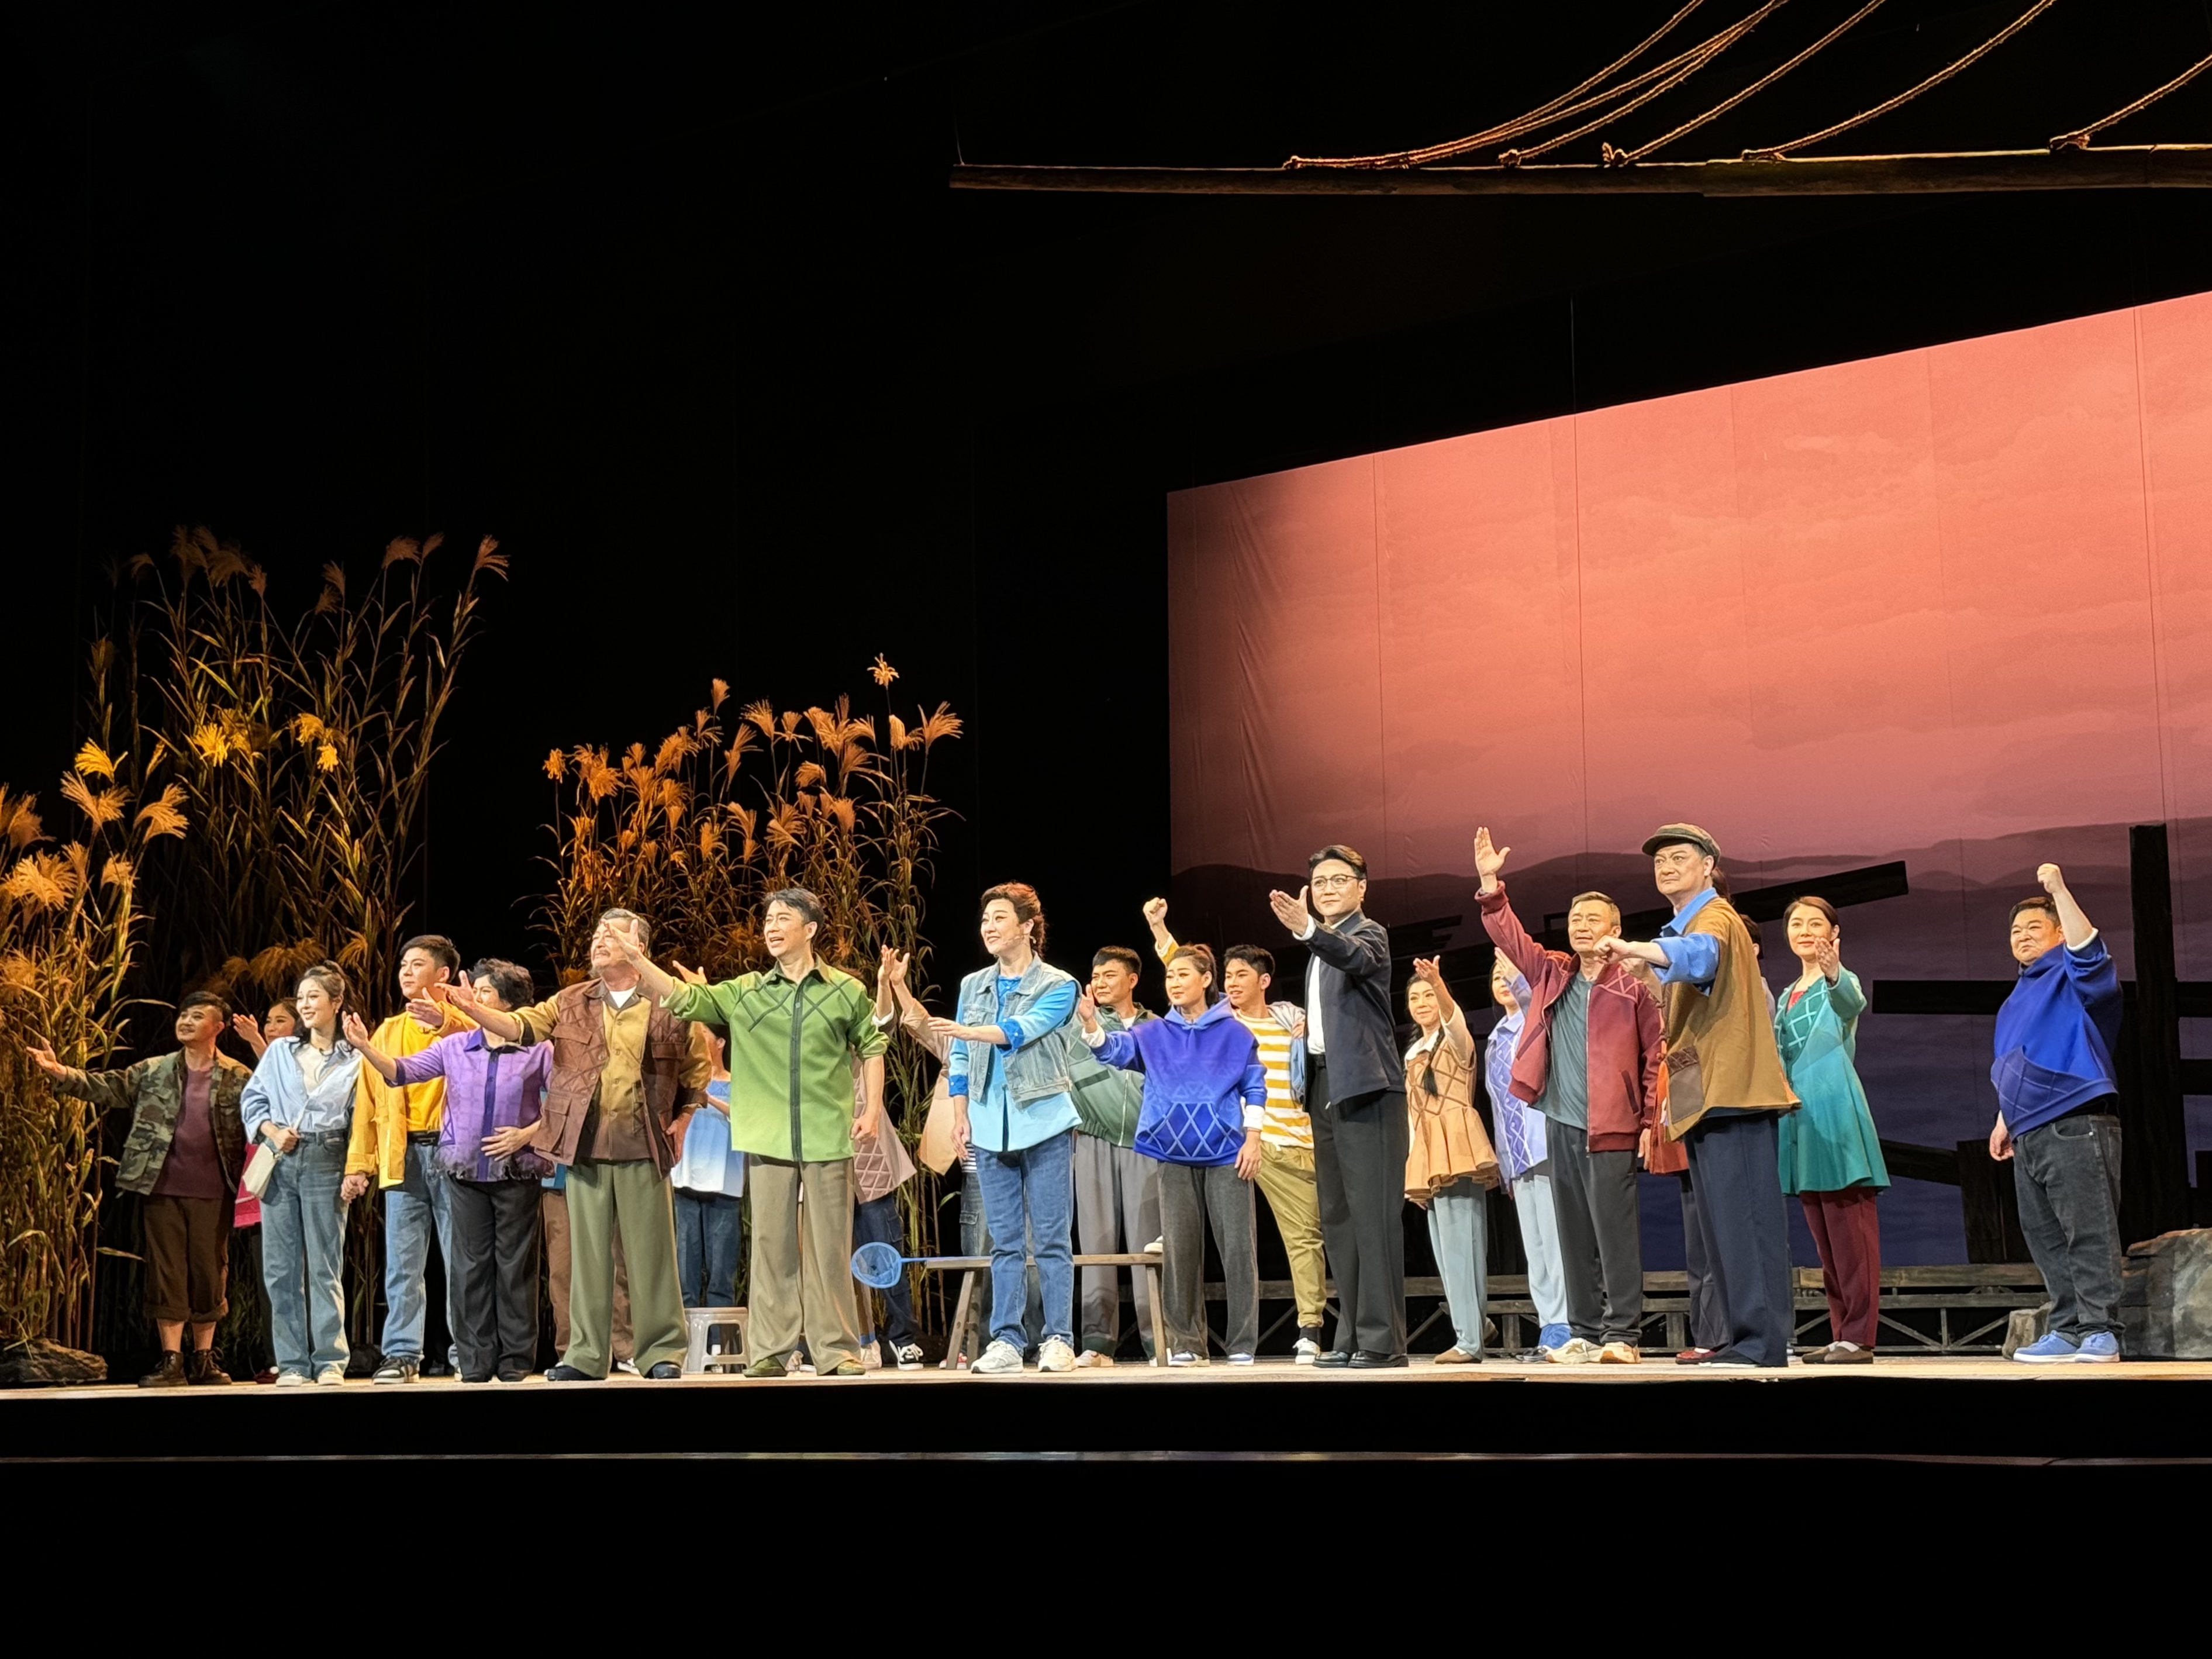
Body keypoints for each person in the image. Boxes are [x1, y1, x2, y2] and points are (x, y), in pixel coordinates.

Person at [611, 888, 886, 1380]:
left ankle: (835, 1349)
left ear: (810, 929)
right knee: (771, 1247)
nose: (771, 927)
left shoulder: (845, 989)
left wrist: (872, 1109)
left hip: (827, 1132)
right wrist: (637, 959)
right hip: (767, 1136)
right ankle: (772, 1351)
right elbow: (685, 997)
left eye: (783, 919)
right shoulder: (748, 991)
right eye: (767, 920)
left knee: (828, 1247)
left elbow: (872, 1045)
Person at [443, 909, 708, 1381]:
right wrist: (474, 1010)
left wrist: (685, 1119)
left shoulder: (668, 1001)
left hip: (644, 1142)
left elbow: (696, 1071)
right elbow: (521, 1026)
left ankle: (660, 1351)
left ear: (639, 947)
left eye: (611, 935)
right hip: (585, 1143)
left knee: (651, 1256)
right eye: (596, 934)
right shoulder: (570, 1000)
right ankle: (586, 1355)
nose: (598, 941)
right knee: (587, 1257)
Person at [1596, 825, 1799, 1370]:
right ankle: (1740, 1336)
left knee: (1746, 1220)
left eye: (1678, 857)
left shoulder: (1714, 917)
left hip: (1733, 1090)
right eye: (1659, 860)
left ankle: (1761, 1342)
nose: (1666, 866)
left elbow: (1701, 956)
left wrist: (1638, 948)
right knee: (1721, 1227)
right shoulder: (1685, 925)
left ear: (1708, 865)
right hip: (1703, 1092)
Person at [1475, 828, 1664, 1364]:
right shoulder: (1553, 972)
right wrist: (1490, 884)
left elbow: (1655, 1058)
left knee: (1614, 1232)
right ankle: (1582, 1330)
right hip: (1559, 1120)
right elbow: (1510, 938)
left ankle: (1623, 1333)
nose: (1581, 925)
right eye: (1575, 918)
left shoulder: (1632, 987)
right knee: (1573, 1232)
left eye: (1592, 919)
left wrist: (1649, 1122)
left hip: (1612, 1124)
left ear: (1615, 930)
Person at [27, 991, 251, 1386]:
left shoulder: (238, 1075)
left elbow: (268, 1110)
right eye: (183, 1015)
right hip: (161, 1186)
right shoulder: (155, 1069)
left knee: (209, 1271)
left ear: (218, 1027)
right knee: (166, 1271)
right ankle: (171, 1359)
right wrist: (60, 1071)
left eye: (197, 1016)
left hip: (215, 1189)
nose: (186, 1021)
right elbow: (106, 1087)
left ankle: (203, 1359)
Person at [346, 957, 551, 1384]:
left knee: (515, 1267)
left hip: (517, 1171)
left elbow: (564, 1105)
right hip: (465, 1172)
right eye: (475, 992)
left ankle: (515, 1358)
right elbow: (402, 1072)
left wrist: (525, 1135)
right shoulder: (456, 1047)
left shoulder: (539, 1050)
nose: (474, 999)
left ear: (509, 1003)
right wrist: (366, 1047)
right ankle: (475, 1360)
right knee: (469, 1267)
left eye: (484, 993)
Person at [1147, 903, 1328, 1362]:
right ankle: (1187, 1335)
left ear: (1264, 980)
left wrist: (1306, 1029)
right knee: (1194, 1233)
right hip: (1234, 1140)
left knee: (1302, 1238)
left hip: (1288, 1139)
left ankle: (1309, 1326)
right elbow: (1186, 972)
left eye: (1241, 974)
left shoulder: (1290, 1022)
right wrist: (1159, 928)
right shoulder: (1219, 1022)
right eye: (1226, 975)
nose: (1231, 982)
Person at [1080, 943, 1265, 1364]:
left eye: (1184, 974)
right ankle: (1187, 1343)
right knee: (1179, 1253)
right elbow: (1113, 1050)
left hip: (1227, 1153)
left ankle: (1241, 1343)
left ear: (1206, 979)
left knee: (1238, 1251)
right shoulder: (1154, 1033)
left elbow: (1254, 1086)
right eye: (1169, 976)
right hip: (1173, 1153)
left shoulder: (1235, 1033)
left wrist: (1252, 1138)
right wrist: (1091, 1025)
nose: (1175, 983)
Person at [936, 882, 1084, 1377]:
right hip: (987, 1127)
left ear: (1027, 926)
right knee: (1003, 1242)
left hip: (1043, 1122)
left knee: (1051, 1239)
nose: (988, 927)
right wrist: (960, 1114)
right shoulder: (973, 985)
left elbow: (1025, 1028)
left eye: (999, 917)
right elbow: (960, 1058)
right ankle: (1006, 1339)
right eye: (984, 919)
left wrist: (968, 1031)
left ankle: (1058, 1338)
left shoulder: (1059, 985)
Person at [1270, 844, 1407, 1367]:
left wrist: (1307, 928)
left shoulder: (1368, 935)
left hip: (1368, 1089)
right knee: (1339, 1218)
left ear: (1361, 886)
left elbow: (1355, 957)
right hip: (1327, 1087)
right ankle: (1350, 1334)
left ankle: (1383, 1341)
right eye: (1320, 881)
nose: (1328, 889)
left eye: (1339, 879)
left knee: (1372, 1218)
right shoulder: (1319, 949)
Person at [1990, 864, 2125, 1364]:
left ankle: (2100, 1328)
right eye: (2015, 930)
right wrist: (2004, 1116)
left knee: (2087, 1229)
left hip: (2075, 1118)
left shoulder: (2070, 976)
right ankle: (2067, 1328)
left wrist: (2058, 891)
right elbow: (2015, 1059)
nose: (2022, 935)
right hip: (2028, 1129)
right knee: (2045, 1236)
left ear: (2058, 934)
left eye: (2034, 927)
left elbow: (2088, 951)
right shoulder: (2015, 999)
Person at [340, 934, 473, 1384]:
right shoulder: (388, 1031)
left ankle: (467, 1351)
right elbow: (367, 1100)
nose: (405, 972)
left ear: (443, 974)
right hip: (404, 1154)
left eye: (417, 964)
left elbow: (481, 1046)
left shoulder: (466, 1022)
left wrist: (447, 1019)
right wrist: (359, 1163)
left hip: (453, 1154)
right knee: (402, 1264)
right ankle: (401, 1353)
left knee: (461, 1260)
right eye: (403, 965)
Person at [1773, 897, 1889, 1365]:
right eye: (1796, 923)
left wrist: (1833, 971)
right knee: (1826, 1239)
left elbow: (1850, 1002)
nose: (1804, 930)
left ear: (1833, 932)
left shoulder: (1839, 979)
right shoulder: (1785, 994)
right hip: (1799, 1121)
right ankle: (1842, 1332)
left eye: (1815, 923)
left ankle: (1859, 1335)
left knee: (1851, 1234)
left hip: (1834, 1113)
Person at [239, 963, 364, 1385]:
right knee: (280, 1268)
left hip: (328, 1156)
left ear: (337, 1002)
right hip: (282, 1158)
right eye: (301, 997)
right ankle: (292, 1363)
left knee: (324, 1264)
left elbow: (362, 1116)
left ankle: (329, 1360)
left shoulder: (355, 1057)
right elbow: (253, 1100)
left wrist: (356, 1167)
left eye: (314, 996)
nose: (305, 1005)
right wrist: (272, 1131)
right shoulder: (280, 1052)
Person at [1402, 957, 1500, 1364]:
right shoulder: (1413, 1052)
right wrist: (1416, 1166)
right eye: (1414, 998)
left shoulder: (1455, 1041)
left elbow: (1453, 1017)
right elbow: (1412, 1116)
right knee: (1445, 1252)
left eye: (1427, 996)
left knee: (1463, 1245)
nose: (1422, 1003)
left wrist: (1438, 984)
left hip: (1457, 1146)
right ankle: (1475, 1324)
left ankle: (1469, 1340)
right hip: (1428, 1151)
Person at [1069, 943, 1159, 1365]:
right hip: (1093, 1139)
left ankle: (1159, 1339)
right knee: (1096, 1244)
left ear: (1132, 980)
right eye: (1096, 976)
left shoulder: (1156, 1027)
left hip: (1145, 1144)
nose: (1101, 982)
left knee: (1149, 1247)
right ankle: (1097, 1343)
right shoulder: (1077, 1023)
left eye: (1110, 975)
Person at [1483, 962, 1569, 1358]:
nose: (1503, 982)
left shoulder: (1534, 1023)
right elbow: (1498, 1107)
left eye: (1509, 975)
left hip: (1543, 1144)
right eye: (1496, 977)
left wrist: (1517, 970)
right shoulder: (1494, 1039)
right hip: (1517, 1155)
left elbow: (1531, 1000)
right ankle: (1549, 1324)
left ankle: (1566, 1322)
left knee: (1554, 1241)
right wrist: (1504, 1164)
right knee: (1533, 1246)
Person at [850, 978, 920, 1368]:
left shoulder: (863, 1040)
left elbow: (882, 1023)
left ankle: (903, 1337)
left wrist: (883, 984)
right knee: (833, 1263)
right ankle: (860, 1339)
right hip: (824, 1167)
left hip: (870, 1165)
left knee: (886, 1255)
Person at [670, 1025, 745, 1311]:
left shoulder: (738, 1084)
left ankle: (720, 1338)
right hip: (686, 1184)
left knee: (721, 1278)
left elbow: (744, 1118)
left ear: (721, 1042)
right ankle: (687, 1337)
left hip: (724, 1187)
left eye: (704, 1034)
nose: (698, 1040)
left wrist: (707, 1097)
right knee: (685, 1277)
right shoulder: (684, 1082)